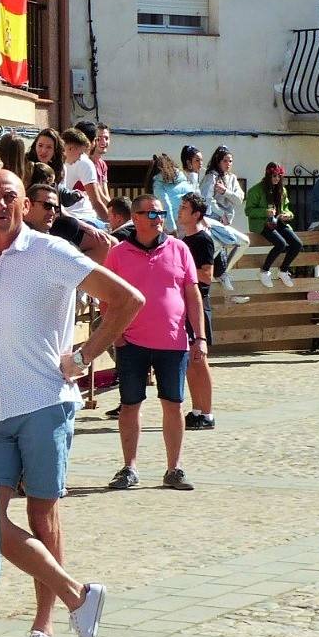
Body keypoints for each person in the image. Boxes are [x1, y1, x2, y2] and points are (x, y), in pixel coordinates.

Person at [0, 168, 137, 637]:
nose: (1, 204)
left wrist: (85, 356)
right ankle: (78, 597)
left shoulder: (51, 252)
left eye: (10, 196)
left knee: (42, 515)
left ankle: (43, 631)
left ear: (25, 204)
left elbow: (127, 299)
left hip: (44, 400)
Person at [102, 195, 205, 492]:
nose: (157, 218)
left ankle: (174, 468)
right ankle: (129, 467)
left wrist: (199, 337)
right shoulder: (118, 253)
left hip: (173, 342)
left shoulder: (180, 248)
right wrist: (116, 334)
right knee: (130, 405)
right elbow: (106, 297)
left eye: (160, 212)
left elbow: (192, 295)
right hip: (131, 342)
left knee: (173, 404)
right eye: (150, 213)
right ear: (135, 218)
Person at [177, 193, 219, 431]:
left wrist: (182, 269)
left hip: (198, 303)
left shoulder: (203, 239)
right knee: (191, 362)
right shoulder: (185, 239)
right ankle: (196, 410)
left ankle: (208, 413)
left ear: (196, 215)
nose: (180, 210)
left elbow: (207, 276)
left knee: (199, 360)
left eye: (185, 208)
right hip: (184, 303)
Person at [198, 146, 250, 297]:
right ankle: (207, 274)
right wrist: (221, 214)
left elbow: (239, 199)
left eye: (230, 161)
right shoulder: (211, 177)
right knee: (219, 246)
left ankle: (223, 273)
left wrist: (225, 191)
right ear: (218, 161)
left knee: (240, 243)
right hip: (212, 221)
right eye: (225, 161)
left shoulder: (232, 178)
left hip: (226, 222)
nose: (228, 164)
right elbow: (206, 200)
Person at [24, 183, 113, 265]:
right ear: (27, 205)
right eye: (47, 206)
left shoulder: (59, 245)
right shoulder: (15, 237)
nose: (52, 212)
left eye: (56, 209)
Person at [245, 162, 300, 289]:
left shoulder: (282, 190)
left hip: (278, 222)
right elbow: (248, 211)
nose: (276, 179)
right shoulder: (256, 190)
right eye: (274, 176)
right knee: (281, 244)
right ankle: (264, 271)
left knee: (297, 244)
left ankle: (283, 270)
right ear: (268, 175)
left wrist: (287, 215)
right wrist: (265, 212)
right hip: (262, 223)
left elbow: (288, 209)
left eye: (279, 176)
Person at [60, 128, 110, 226]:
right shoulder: (85, 163)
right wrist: (110, 224)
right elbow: (96, 201)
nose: (80, 157)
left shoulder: (62, 166)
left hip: (72, 217)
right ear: (70, 148)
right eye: (80, 153)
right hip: (78, 217)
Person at [148, 153, 194, 237]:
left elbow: (165, 206)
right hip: (191, 219)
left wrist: (171, 229)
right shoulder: (184, 180)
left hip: (175, 221)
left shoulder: (158, 184)